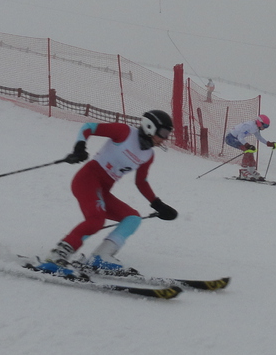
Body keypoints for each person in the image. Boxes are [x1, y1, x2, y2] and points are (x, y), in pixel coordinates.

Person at [41, 109, 178, 273]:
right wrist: (80, 146)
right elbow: (89, 127)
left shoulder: (148, 155)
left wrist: (157, 204)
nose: (165, 138)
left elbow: (141, 182)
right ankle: (57, 255)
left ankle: (101, 257)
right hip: (87, 180)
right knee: (96, 220)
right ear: (150, 127)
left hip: (103, 190)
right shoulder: (124, 132)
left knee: (133, 218)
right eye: (163, 133)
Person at [225, 114, 276, 181]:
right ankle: (243, 171)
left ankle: (251, 170)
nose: (264, 128)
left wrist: (268, 143)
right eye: (264, 125)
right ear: (259, 122)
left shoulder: (256, 128)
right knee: (247, 149)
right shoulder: (249, 126)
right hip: (230, 138)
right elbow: (240, 137)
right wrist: (247, 145)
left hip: (237, 138)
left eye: (267, 126)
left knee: (250, 150)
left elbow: (259, 137)